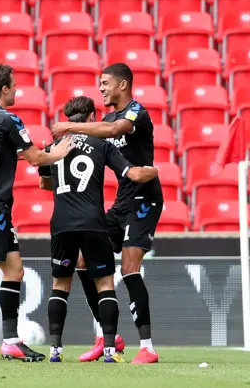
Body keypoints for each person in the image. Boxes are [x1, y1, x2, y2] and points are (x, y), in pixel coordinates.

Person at [0, 64, 74, 363]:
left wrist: (5, 155)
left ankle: (10, 341)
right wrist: (57, 154)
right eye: (15, 85)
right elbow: (36, 158)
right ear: (4, 89)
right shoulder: (8, 119)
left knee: (15, 270)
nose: (17, 89)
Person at [52, 63, 164, 364]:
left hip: (144, 200)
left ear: (123, 85)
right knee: (82, 261)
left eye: (105, 83)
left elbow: (114, 131)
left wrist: (69, 126)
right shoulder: (107, 118)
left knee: (128, 267)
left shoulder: (135, 114)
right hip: (121, 202)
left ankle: (147, 347)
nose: (100, 89)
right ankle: (108, 336)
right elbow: (100, 136)